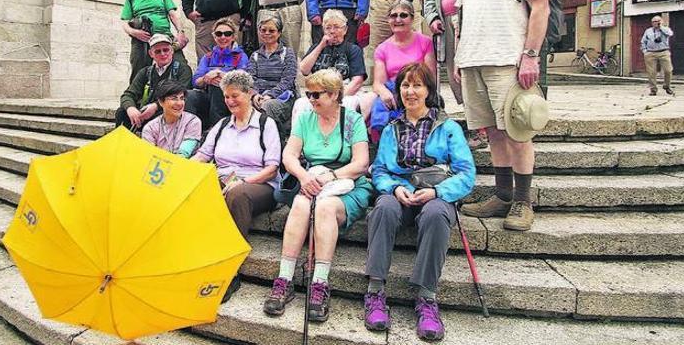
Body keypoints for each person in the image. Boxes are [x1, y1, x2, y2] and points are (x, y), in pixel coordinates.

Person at [453, 0, 552, 232]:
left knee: (517, 131)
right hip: (473, 62)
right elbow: (463, 20)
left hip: (507, 61)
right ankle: (503, 195)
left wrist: (530, 55)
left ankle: (523, 201)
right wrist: (458, 60)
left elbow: (540, 8)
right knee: (493, 132)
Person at [363, 63, 475, 342]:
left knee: (437, 215)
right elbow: (379, 170)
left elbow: (466, 172)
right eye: (405, 86)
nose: (410, 92)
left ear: (428, 91)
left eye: (417, 86)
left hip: (436, 193)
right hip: (402, 193)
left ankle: (427, 298)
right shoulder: (391, 129)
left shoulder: (448, 128)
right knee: (384, 208)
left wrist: (438, 193)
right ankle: (375, 291)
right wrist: (395, 187)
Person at [262, 69, 374, 322]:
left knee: (324, 208)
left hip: (349, 183)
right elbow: (289, 155)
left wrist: (330, 178)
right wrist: (304, 177)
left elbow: (361, 163)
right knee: (301, 203)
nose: (311, 99)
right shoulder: (305, 118)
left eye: (316, 94)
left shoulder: (353, 120)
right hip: (312, 178)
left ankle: (320, 283)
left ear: (334, 95)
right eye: (308, 94)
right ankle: (284, 279)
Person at [192, 70, 281, 301]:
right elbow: (202, 155)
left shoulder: (265, 124)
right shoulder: (222, 125)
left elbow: (272, 168)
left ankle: (230, 269)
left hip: (259, 183)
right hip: (224, 180)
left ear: (249, 94)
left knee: (238, 194)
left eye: (235, 96)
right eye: (226, 97)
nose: (230, 101)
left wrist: (242, 182)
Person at [367, 0, 435, 136]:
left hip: (418, 86)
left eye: (403, 15)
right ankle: (383, 136)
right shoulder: (382, 48)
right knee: (380, 104)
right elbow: (378, 83)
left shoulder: (425, 42)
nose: (398, 19)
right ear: (388, 20)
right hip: (393, 89)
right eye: (393, 16)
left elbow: (431, 77)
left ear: (412, 18)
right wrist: (384, 93)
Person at [292, 11, 370, 124]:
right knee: (300, 104)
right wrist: (321, 46)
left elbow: (357, 81)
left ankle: (345, 138)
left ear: (345, 30)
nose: (332, 31)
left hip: (344, 91)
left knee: (348, 104)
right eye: (328, 28)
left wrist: (336, 97)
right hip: (317, 91)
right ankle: (299, 140)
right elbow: (304, 69)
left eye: (336, 27)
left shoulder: (353, 49)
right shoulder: (316, 48)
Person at [119, 0, 189, 83]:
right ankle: (137, 101)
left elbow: (173, 15)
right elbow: (124, 22)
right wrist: (135, 33)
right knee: (139, 72)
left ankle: (182, 98)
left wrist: (180, 32)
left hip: (165, 37)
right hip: (141, 40)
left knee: (181, 66)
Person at [116, 34, 193, 131]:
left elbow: (184, 94)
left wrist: (156, 106)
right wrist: (130, 108)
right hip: (146, 112)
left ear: (172, 51)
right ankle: (123, 144)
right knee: (122, 112)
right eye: (158, 51)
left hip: (168, 111)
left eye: (166, 50)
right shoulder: (145, 72)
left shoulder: (183, 69)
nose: (163, 54)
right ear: (151, 54)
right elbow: (128, 94)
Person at [186, 18, 249, 129]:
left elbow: (242, 80)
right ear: (214, 37)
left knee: (218, 86)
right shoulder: (208, 57)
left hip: (231, 98)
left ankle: (216, 129)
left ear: (233, 36)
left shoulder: (240, 56)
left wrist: (221, 75)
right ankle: (190, 129)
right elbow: (195, 81)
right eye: (219, 34)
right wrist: (206, 78)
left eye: (227, 34)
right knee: (189, 95)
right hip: (208, 96)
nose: (223, 37)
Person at [248, 14, 298, 139]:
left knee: (268, 106)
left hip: (282, 98)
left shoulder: (288, 53)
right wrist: (255, 95)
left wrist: (269, 95)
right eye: (263, 30)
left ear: (279, 33)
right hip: (259, 96)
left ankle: (269, 142)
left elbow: (288, 80)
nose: (267, 33)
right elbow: (250, 79)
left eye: (271, 30)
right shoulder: (255, 55)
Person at [141, 80, 202, 158]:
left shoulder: (192, 121)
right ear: (161, 102)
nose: (179, 103)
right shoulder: (150, 128)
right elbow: (148, 156)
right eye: (174, 99)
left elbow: (184, 154)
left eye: (182, 98)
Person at [640, 15, 675, 96]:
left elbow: (670, 34)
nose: (656, 23)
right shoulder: (648, 31)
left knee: (668, 70)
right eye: (655, 21)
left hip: (663, 52)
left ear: (661, 21)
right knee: (651, 72)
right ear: (652, 23)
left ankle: (667, 86)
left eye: (658, 21)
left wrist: (661, 27)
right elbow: (643, 41)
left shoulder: (665, 29)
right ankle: (653, 89)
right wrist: (645, 51)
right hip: (651, 53)